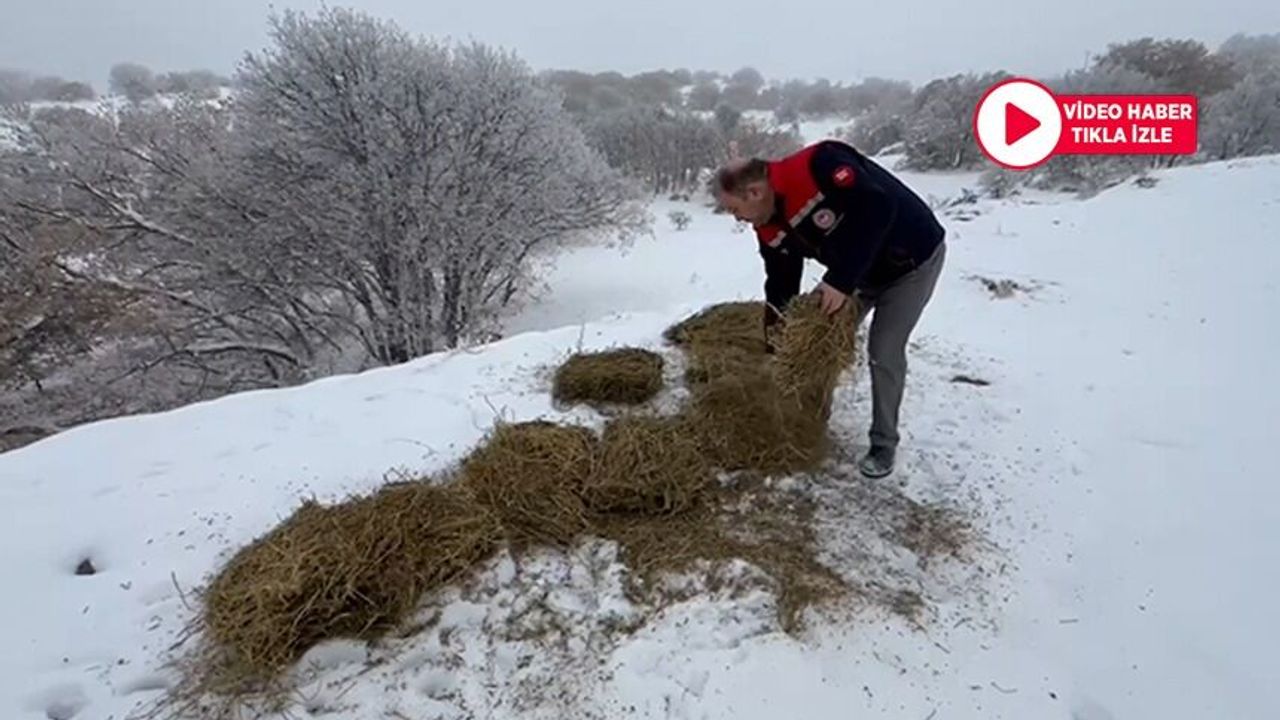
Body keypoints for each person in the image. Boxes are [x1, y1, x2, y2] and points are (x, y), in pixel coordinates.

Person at [711, 139, 946, 478]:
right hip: (859, 273)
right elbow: (780, 282)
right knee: (813, 344)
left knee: (884, 348)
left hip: (911, 262)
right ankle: (810, 423)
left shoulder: (820, 165)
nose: (737, 219)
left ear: (753, 193)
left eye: (734, 210)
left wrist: (840, 281)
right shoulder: (767, 226)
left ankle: (884, 443)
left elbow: (877, 207)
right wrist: (777, 339)